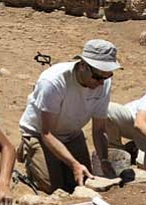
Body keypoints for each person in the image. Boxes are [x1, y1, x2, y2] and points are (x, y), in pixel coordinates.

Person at [18, 39, 122, 194]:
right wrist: (74, 164)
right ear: (82, 65)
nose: (102, 83)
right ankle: (28, 150)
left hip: (72, 133)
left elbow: (99, 129)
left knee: (82, 181)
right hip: (40, 134)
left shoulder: (103, 81)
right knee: (53, 188)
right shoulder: (53, 82)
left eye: (107, 77)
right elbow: (46, 133)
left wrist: (104, 160)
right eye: (98, 77)